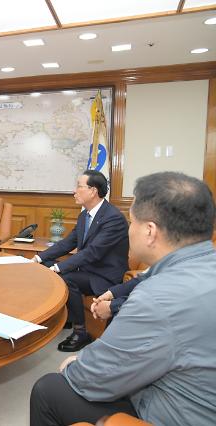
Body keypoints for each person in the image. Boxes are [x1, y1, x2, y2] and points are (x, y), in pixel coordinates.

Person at [30, 171, 216, 426]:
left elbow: (90, 379)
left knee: (49, 388)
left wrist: (76, 364)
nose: (129, 229)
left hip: (180, 412)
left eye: (132, 222)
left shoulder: (155, 299)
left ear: (149, 231)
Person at [32, 170, 129, 352]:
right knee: (45, 267)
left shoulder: (113, 218)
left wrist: (58, 268)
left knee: (65, 278)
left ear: (93, 191)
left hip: (104, 275)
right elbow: (68, 243)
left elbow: (92, 253)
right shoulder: (85, 215)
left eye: (78, 186)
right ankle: (64, 319)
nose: (74, 191)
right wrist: (38, 258)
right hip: (87, 269)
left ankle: (80, 332)